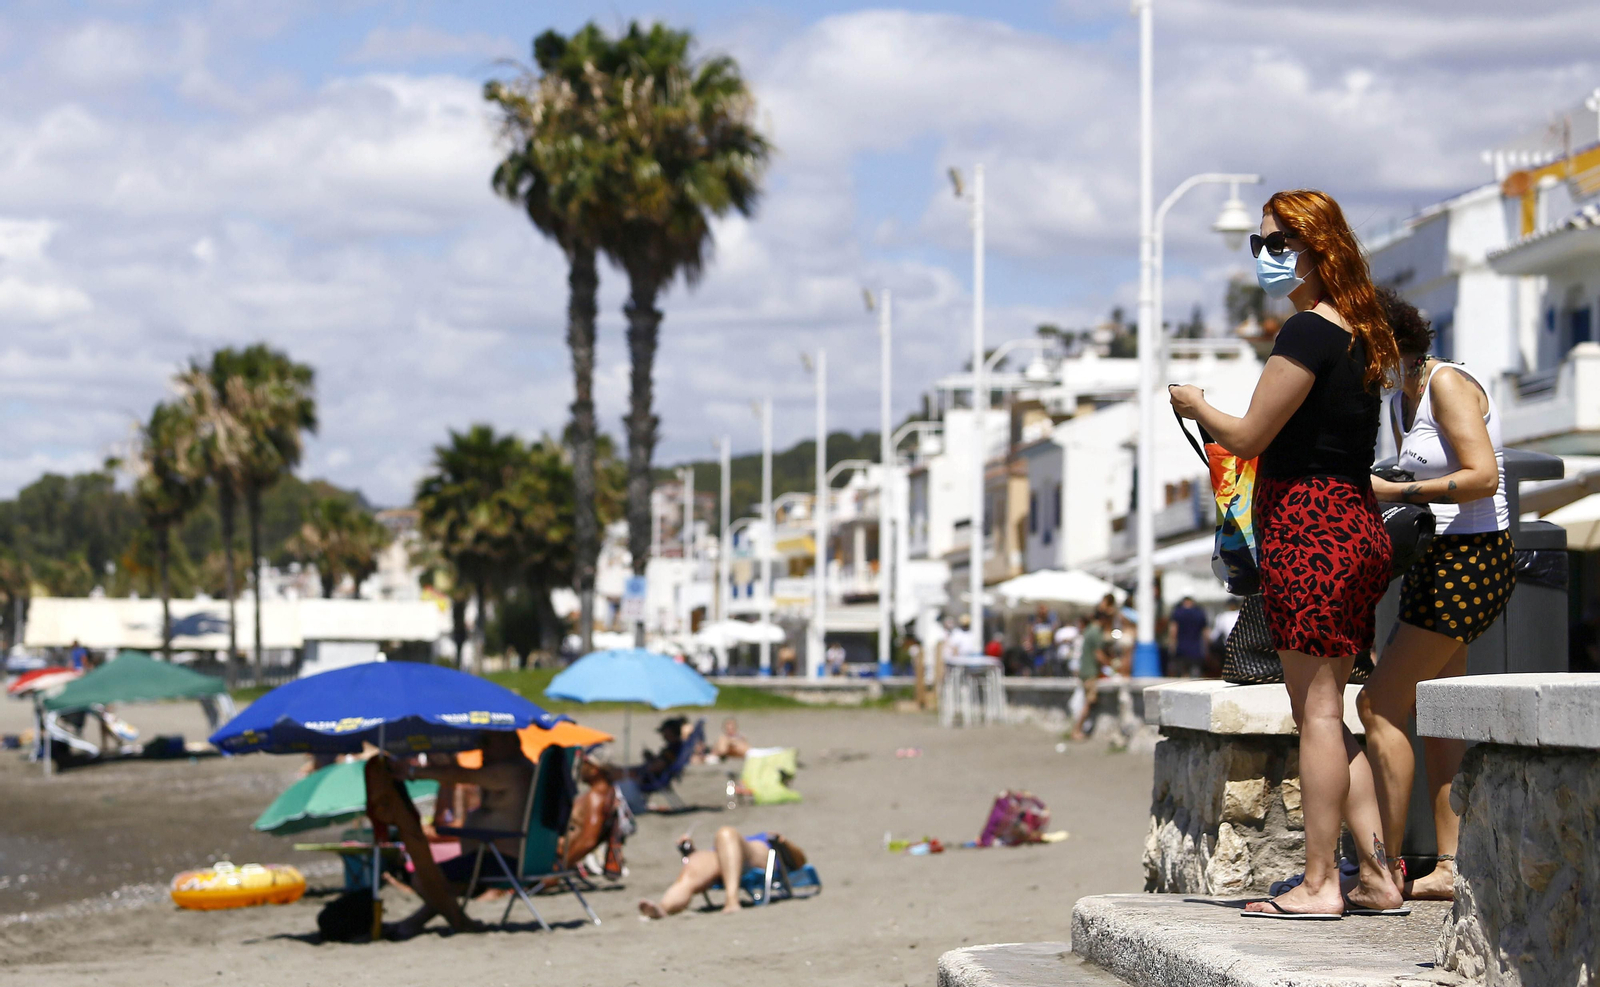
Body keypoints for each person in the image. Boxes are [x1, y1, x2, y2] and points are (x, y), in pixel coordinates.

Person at [1170, 188, 1403, 919]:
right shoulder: (1362, 333)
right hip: (1355, 526)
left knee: (1319, 714)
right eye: (1258, 245)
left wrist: (1196, 403)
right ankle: (1377, 876)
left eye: (1277, 243)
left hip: (1310, 530)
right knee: (1338, 711)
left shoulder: (1306, 332)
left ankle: (1319, 883)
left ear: (1318, 246)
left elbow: (1247, 437)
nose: (1266, 257)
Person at [1359, 288, 1513, 901]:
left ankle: (1383, 869)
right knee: (1439, 715)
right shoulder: (1401, 395)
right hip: (1437, 558)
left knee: (1378, 705)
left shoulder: (1448, 384)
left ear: (1390, 343)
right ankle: (1450, 864)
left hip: (1472, 558)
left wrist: (1394, 493)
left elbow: (1484, 477)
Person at [372, 730, 535, 938]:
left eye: (486, 741)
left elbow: (462, 776)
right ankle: (413, 923)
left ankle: (461, 923)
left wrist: (411, 773)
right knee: (442, 886)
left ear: (511, 742)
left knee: (423, 880)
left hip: (501, 860)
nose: (481, 747)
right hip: (501, 857)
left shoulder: (513, 771)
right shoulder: (523, 768)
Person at [638, 827, 807, 919]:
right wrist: (691, 852)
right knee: (695, 863)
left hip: (754, 855)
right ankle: (663, 908)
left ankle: (732, 900)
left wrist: (785, 843)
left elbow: (800, 862)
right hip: (722, 856)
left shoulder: (767, 841)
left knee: (726, 834)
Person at [1071, 611, 1112, 741]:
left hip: (1085, 671)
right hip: (1090, 672)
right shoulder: (1095, 632)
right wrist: (1110, 665)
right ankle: (1077, 729)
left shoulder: (1088, 630)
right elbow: (1098, 654)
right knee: (1089, 702)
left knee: (1088, 701)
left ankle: (1078, 729)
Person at [1166, 596, 1209, 678]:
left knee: (1183, 674)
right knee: (1196, 675)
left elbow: (1173, 631)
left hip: (1181, 648)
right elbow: (1205, 632)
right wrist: (1206, 648)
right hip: (1196, 649)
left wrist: (1172, 645)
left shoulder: (1177, 612)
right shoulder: (1199, 613)